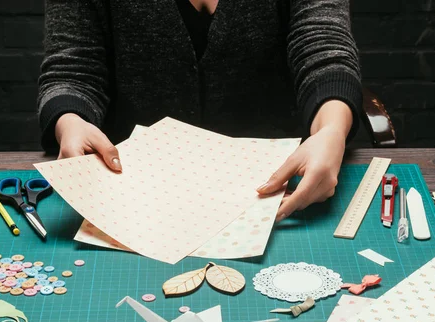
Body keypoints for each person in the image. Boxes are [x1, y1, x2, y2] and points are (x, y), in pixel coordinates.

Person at [38, 0, 361, 221]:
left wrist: (331, 130)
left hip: (279, 189)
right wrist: (70, 121)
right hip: (131, 196)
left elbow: (323, 46)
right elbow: (73, 65)